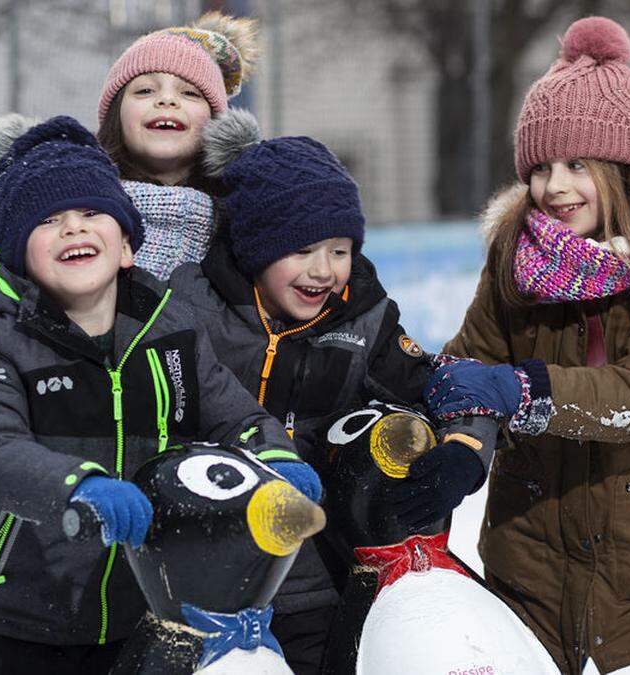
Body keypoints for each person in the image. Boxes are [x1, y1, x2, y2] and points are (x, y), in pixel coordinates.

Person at [423, 17, 630, 675]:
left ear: (625, 168)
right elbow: (471, 360)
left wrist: (526, 391)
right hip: (537, 561)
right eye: (541, 166)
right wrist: (442, 411)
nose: (556, 186)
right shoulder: (514, 259)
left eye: (578, 164)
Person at [0, 113, 317, 674]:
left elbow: (232, 416)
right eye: (49, 220)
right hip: (17, 618)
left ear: (125, 247)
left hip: (148, 608)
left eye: (92, 213)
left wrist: (276, 455)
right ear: (21, 254)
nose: (74, 228)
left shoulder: (171, 327)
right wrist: (78, 487)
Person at [166, 108, 500, 673]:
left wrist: (467, 448)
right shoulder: (189, 313)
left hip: (320, 582)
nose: (324, 271)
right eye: (301, 250)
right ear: (253, 246)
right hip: (210, 580)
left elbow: (447, 384)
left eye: (340, 250)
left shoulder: (363, 320)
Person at [97, 10, 260, 279]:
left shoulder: (248, 211)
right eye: (145, 90)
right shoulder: (76, 208)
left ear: (217, 122)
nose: (167, 100)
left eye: (189, 93)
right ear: (116, 115)